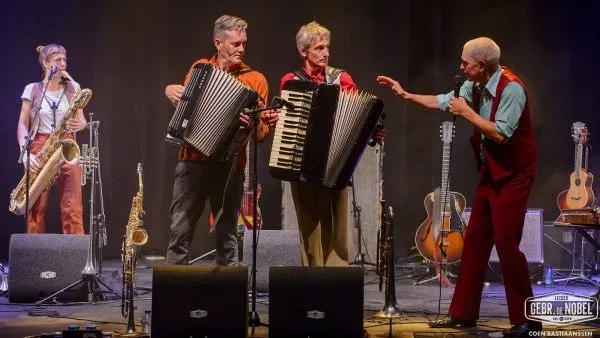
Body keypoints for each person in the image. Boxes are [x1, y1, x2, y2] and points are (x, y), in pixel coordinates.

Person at [377, 37, 540, 337]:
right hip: (492, 172)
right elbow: (442, 101)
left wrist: (468, 114)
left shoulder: (512, 89)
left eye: (466, 62)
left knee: (506, 244)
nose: (461, 66)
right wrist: (405, 95)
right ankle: (463, 314)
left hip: (515, 173)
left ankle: (527, 319)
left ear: (483, 65)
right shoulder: (475, 87)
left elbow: (501, 135)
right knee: (475, 240)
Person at [164, 14, 276, 266]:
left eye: (244, 43)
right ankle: (173, 297)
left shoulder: (255, 80)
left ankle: (229, 300)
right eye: (235, 43)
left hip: (230, 165)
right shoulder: (200, 68)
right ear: (218, 43)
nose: (241, 49)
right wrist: (170, 90)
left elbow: (261, 136)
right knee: (180, 230)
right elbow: (186, 112)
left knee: (227, 235)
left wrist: (255, 122)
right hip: (191, 160)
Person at [279, 21, 384, 267]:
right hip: (302, 162)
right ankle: (310, 280)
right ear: (303, 51)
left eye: (327, 47)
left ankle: (335, 282)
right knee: (309, 227)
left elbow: (359, 114)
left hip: (336, 163)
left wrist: (373, 131)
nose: (325, 53)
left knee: (336, 229)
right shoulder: (291, 81)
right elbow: (285, 122)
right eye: (319, 48)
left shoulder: (342, 79)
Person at [17, 44, 87, 234]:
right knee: (36, 207)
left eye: (64, 60)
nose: (63, 64)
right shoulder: (32, 89)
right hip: (40, 146)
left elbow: (82, 120)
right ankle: (35, 257)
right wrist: (25, 155)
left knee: (73, 206)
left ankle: (75, 258)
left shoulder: (74, 88)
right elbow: (23, 124)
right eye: (58, 60)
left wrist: (82, 124)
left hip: (67, 146)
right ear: (46, 63)